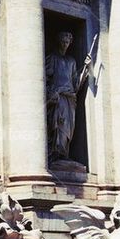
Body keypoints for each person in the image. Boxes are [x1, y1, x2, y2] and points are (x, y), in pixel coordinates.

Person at [45, 31, 93, 164]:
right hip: (58, 97)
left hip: (70, 98)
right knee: (58, 125)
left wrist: (86, 67)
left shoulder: (71, 61)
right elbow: (44, 78)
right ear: (59, 41)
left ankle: (63, 153)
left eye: (68, 42)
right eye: (63, 41)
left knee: (67, 129)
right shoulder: (52, 58)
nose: (66, 44)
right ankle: (56, 154)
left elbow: (76, 83)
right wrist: (50, 93)